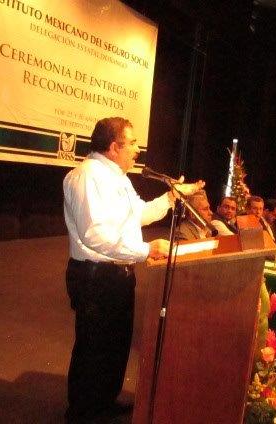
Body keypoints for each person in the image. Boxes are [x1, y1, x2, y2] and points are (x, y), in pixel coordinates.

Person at [62, 117, 204, 422]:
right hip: (96, 276)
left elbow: (140, 214)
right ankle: (82, 413)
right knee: (93, 348)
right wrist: (146, 250)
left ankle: (104, 402)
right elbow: (94, 235)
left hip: (118, 275)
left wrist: (172, 196)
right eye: (133, 143)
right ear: (114, 147)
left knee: (115, 344)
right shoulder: (87, 177)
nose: (138, 150)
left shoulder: (119, 179)